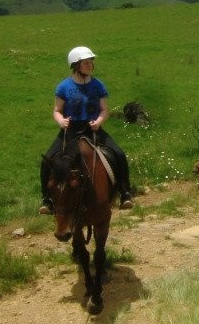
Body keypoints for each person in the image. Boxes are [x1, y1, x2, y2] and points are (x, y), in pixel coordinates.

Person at [39, 46, 133, 214]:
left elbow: (104, 109)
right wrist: (62, 121)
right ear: (76, 65)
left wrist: (99, 121)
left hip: (93, 129)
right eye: (86, 63)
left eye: (91, 62)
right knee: (47, 161)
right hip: (71, 131)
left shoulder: (98, 85)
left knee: (119, 154)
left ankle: (125, 193)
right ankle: (47, 200)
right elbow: (57, 110)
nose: (90, 65)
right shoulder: (63, 87)